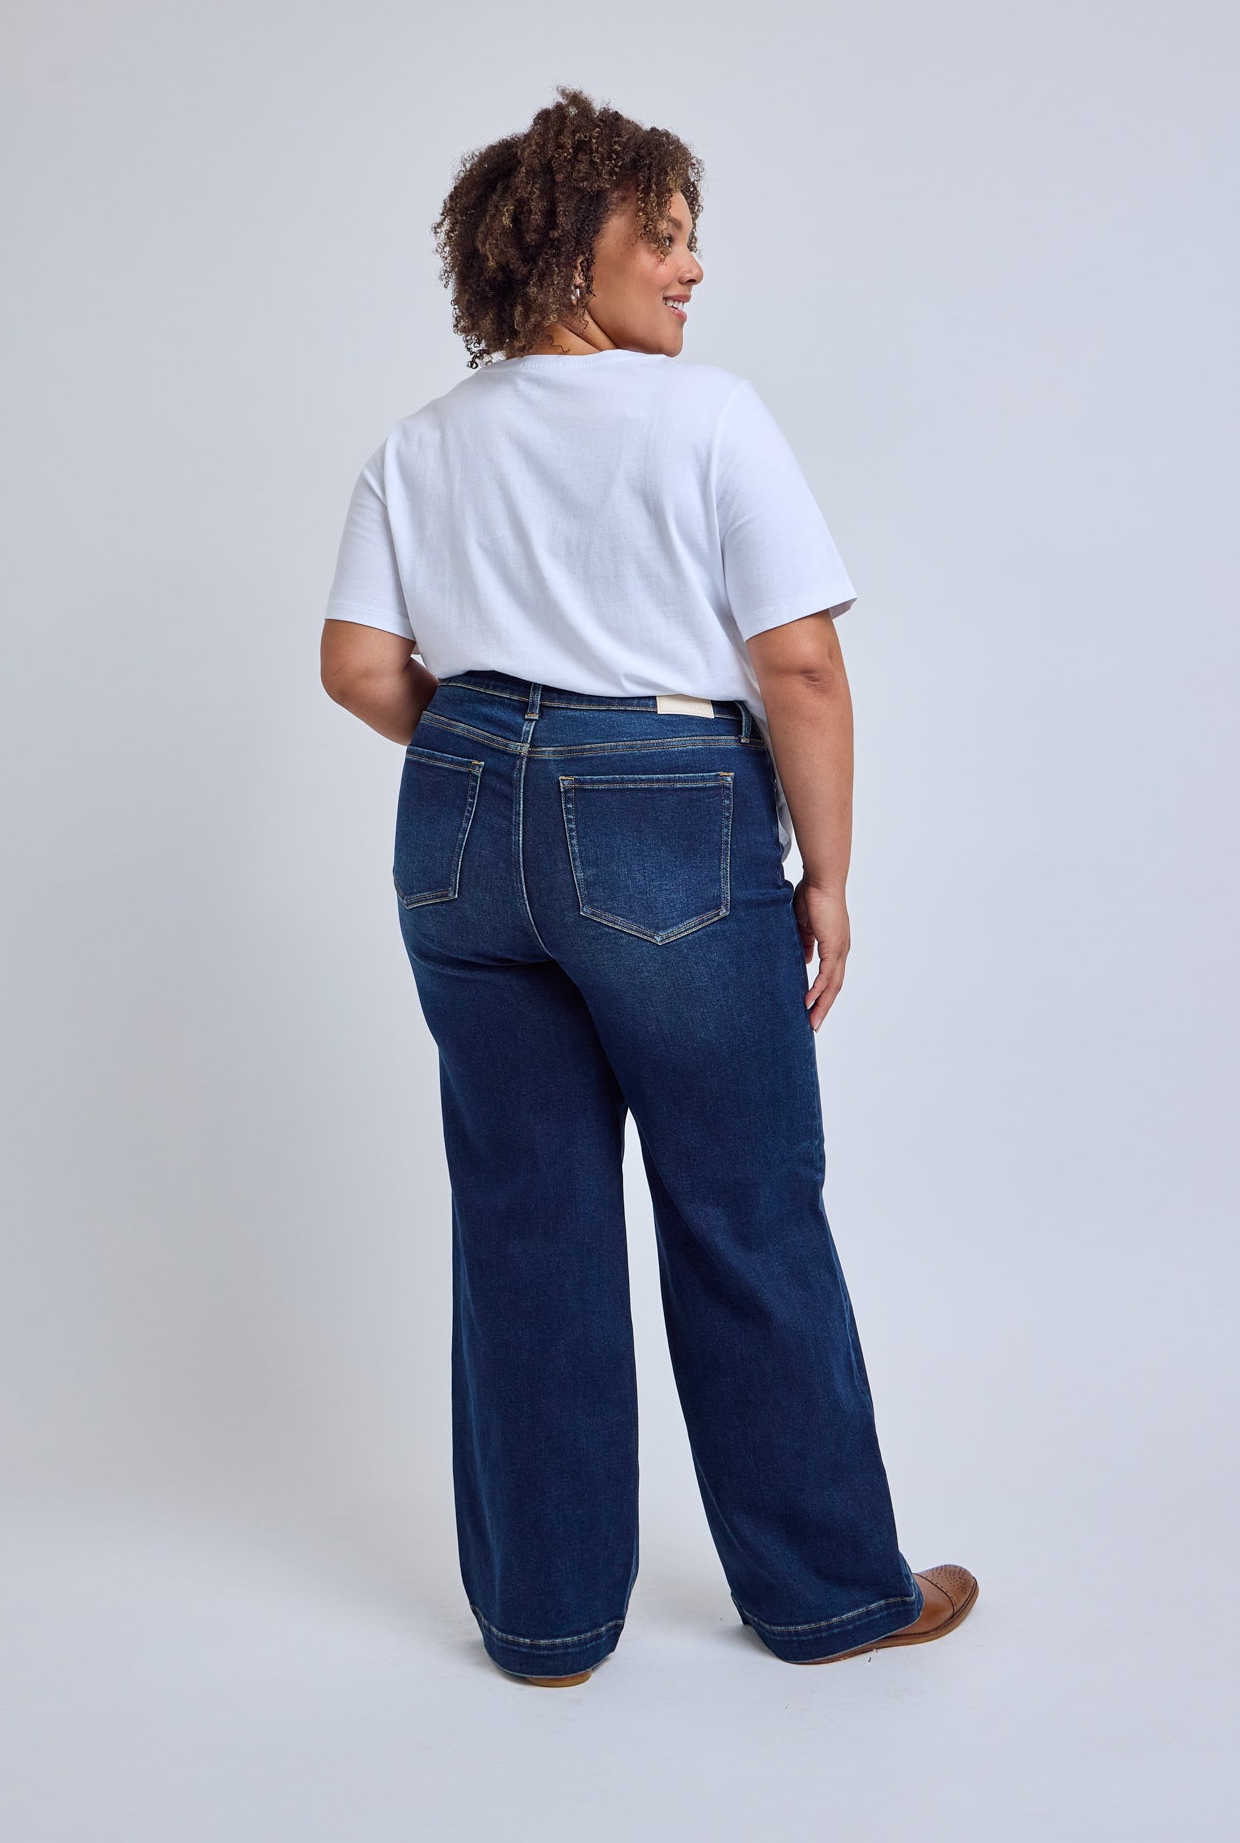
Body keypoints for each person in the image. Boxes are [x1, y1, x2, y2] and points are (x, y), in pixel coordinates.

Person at [320, 85, 978, 1686]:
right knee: (742, 1208)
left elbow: (353, 667)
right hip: (672, 824)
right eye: (661, 237)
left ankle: (542, 1626)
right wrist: (825, 873)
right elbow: (800, 665)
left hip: (459, 821)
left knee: (524, 1218)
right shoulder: (707, 419)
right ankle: (829, 1596)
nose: (688, 271)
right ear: (568, 250)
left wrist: (500, 751)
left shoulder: (421, 443)